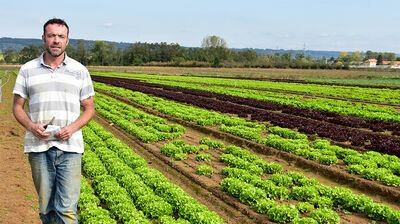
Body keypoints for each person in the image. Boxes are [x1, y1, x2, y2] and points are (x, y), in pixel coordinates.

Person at [12, 18, 95, 224]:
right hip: (38, 147)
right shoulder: (27, 69)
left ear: (67, 41)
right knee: (46, 209)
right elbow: (16, 107)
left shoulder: (79, 70)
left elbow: (89, 109)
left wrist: (72, 128)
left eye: (61, 36)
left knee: (67, 210)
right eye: (51, 36)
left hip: (70, 147)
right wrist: (32, 126)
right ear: (44, 39)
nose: (56, 40)